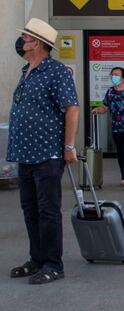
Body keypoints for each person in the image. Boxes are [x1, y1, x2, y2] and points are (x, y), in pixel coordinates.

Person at [7, 18, 79, 284]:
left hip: (47, 153)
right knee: (30, 209)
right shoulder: (26, 70)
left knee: (48, 210)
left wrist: (68, 146)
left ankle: (53, 264)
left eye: (25, 37)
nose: (21, 41)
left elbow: (72, 107)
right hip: (25, 153)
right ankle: (37, 259)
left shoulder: (56, 71)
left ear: (36, 42)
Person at [92, 67, 124, 188]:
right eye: (112, 74)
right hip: (116, 127)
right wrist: (98, 110)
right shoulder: (110, 91)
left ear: (123, 77)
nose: (113, 76)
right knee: (120, 153)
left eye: (116, 74)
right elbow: (105, 106)